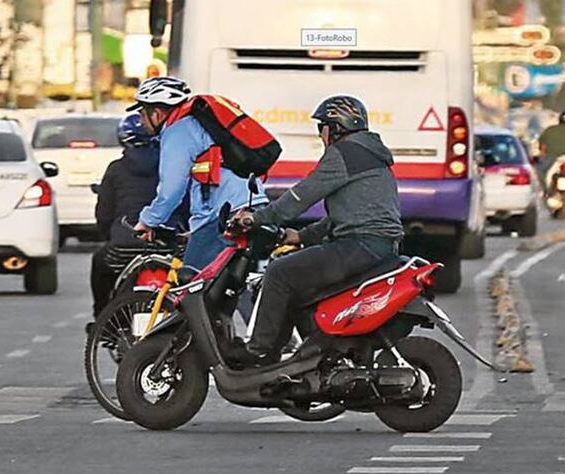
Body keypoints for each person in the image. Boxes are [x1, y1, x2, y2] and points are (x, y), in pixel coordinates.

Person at [233, 95, 404, 364]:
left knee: (279, 272)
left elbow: (301, 196)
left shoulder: (345, 153)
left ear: (335, 128)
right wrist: (301, 236)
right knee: (299, 281)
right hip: (376, 246)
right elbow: (343, 216)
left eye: (321, 127)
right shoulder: (372, 154)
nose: (320, 135)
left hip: (359, 246)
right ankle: (307, 355)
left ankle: (260, 351)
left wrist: (258, 218)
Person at [130, 76, 266, 275]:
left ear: (157, 113)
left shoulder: (178, 132)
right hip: (252, 206)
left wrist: (147, 221)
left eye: (142, 114)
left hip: (227, 216)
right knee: (228, 286)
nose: (141, 122)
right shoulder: (203, 126)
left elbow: (171, 190)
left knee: (190, 283)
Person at [88, 114, 161, 320]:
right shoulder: (172, 167)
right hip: (168, 247)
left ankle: (103, 319)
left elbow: (104, 213)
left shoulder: (116, 169)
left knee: (100, 263)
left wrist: (110, 235)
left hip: (123, 247)